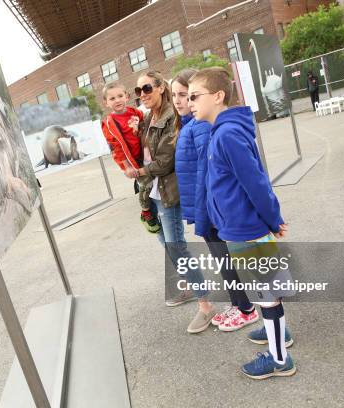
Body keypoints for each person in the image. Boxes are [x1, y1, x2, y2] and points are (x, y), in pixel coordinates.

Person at [188, 67, 296, 379]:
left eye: (195, 96)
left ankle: (279, 359)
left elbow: (257, 183)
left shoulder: (228, 134)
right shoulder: (220, 131)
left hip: (248, 230)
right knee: (266, 292)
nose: (190, 102)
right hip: (239, 228)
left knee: (267, 293)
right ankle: (277, 332)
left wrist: (273, 219)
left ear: (218, 96)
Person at [128, 70, 216, 334]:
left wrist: (141, 172)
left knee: (177, 247)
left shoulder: (170, 117)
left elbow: (166, 160)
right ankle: (189, 287)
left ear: (160, 88)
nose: (141, 94)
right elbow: (141, 152)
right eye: (138, 90)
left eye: (146, 89)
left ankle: (206, 305)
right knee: (166, 245)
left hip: (167, 191)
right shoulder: (145, 118)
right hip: (151, 193)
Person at [172, 68, 259, 333]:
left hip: (209, 205)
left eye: (187, 95)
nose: (180, 101)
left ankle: (246, 308)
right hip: (205, 205)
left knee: (227, 258)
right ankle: (239, 303)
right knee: (223, 258)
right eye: (175, 95)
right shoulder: (190, 124)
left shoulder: (200, 126)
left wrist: (204, 209)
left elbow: (206, 171)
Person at [101, 82, 160, 233]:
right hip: (131, 161)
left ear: (127, 97)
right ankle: (145, 211)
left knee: (155, 181)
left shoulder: (136, 112)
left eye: (120, 96)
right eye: (112, 98)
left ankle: (154, 207)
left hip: (145, 154)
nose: (117, 100)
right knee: (146, 185)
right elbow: (116, 148)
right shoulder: (109, 123)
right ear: (106, 103)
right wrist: (127, 166)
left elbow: (146, 126)